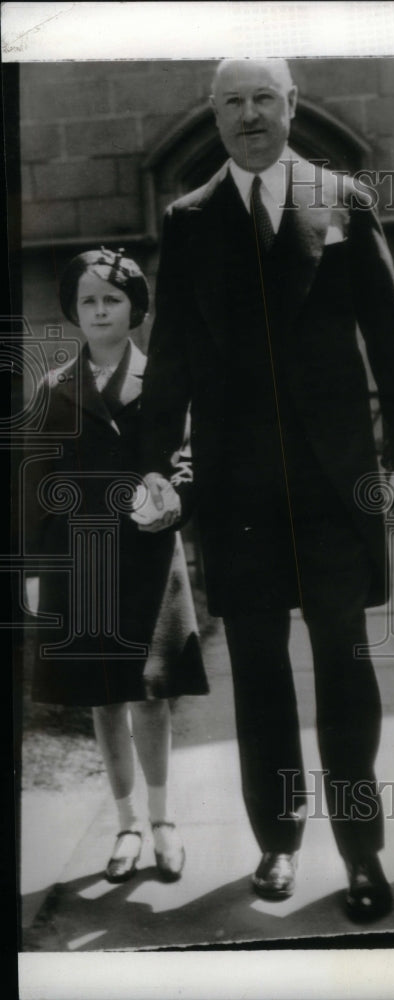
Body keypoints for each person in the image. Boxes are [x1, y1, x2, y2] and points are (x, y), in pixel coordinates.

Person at [138, 58, 394, 922]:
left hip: (334, 485)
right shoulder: (189, 221)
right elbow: (175, 354)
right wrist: (158, 463)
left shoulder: (344, 200)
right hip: (238, 493)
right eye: (233, 102)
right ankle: (278, 842)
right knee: (259, 673)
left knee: (345, 666)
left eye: (265, 97)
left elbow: (391, 334)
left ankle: (363, 855)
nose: (251, 114)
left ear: (293, 106)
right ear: (214, 115)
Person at [27, 248, 209, 884]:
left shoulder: (161, 378)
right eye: (87, 300)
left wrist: (174, 500)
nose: (100, 309)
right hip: (85, 564)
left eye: (112, 298)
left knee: (151, 695)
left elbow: (185, 458)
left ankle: (163, 821)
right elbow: (38, 482)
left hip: (149, 558)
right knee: (104, 698)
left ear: (135, 307)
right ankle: (127, 822)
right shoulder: (54, 390)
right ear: (73, 312)